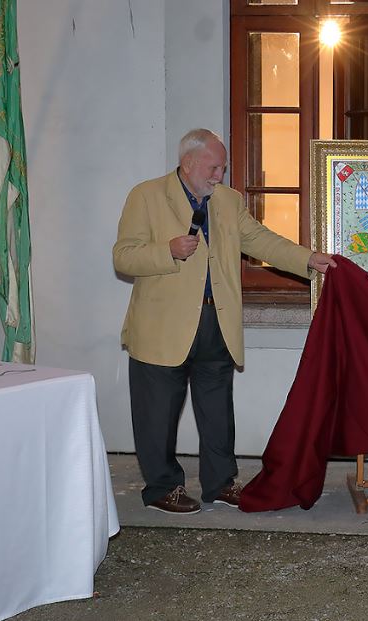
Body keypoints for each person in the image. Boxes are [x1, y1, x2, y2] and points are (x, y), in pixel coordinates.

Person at [113, 128, 337, 514]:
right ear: (188, 163)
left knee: (218, 413)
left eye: (223, 168)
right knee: (157, 416)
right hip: (161, 329)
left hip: (216, 324)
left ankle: (220, 483)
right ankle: (163, 488)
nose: (220, 176)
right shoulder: (146, 196)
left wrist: (308, 259)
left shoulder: (229, 201)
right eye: (214, 168)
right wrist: (167, 250)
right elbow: (123, 257)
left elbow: (261, 241)